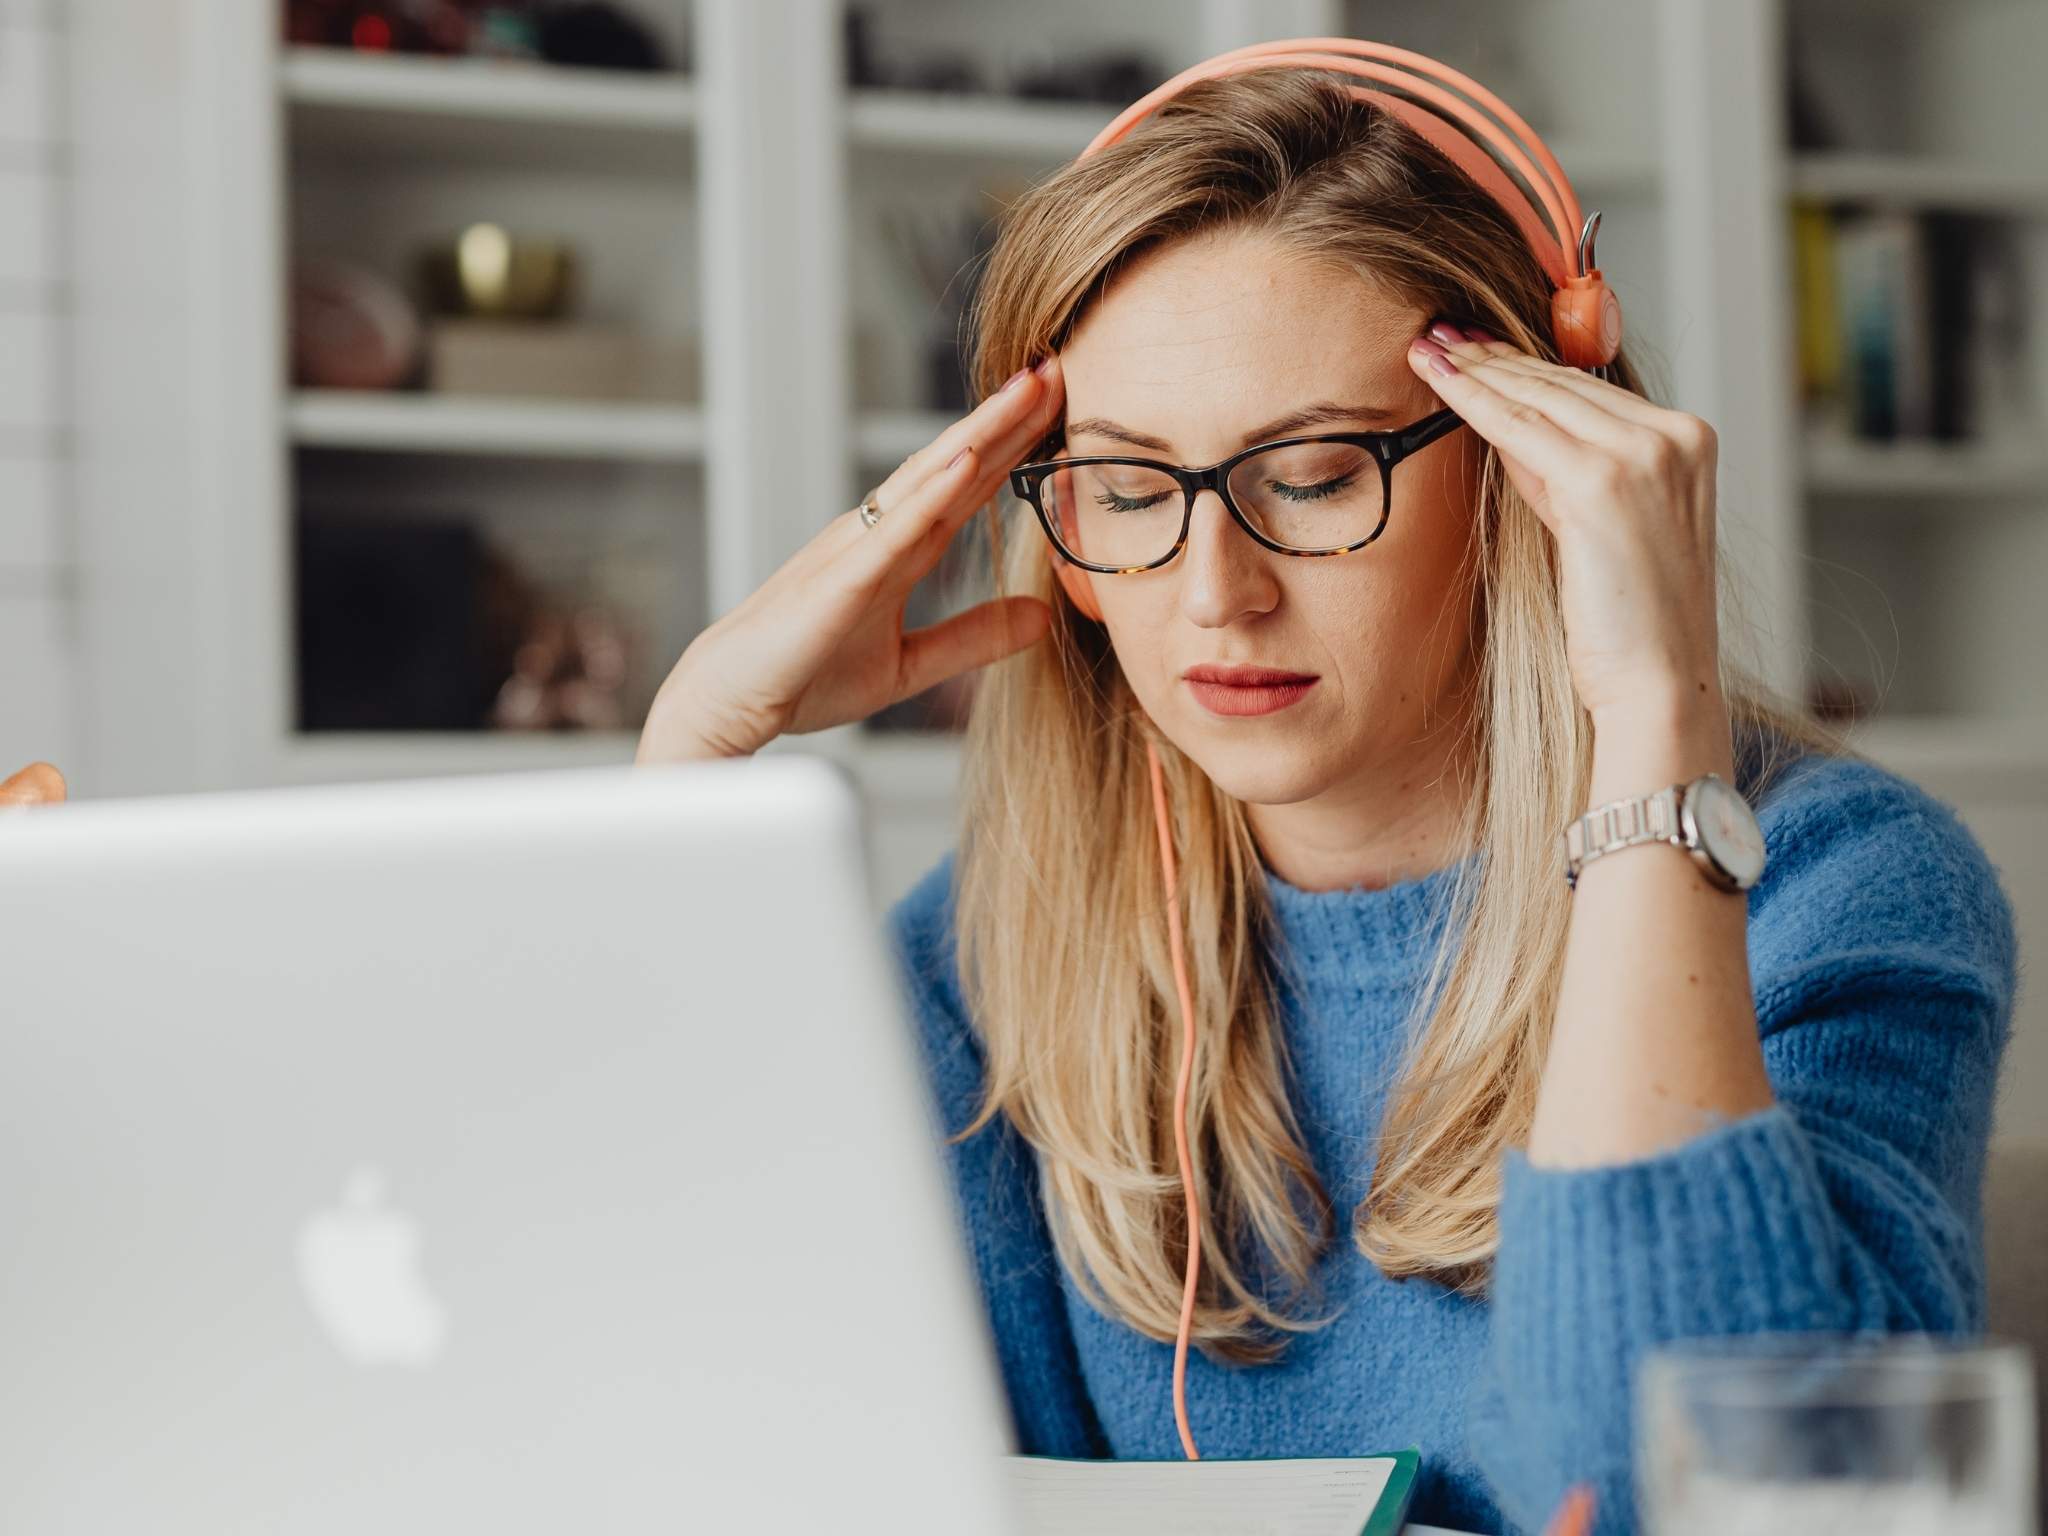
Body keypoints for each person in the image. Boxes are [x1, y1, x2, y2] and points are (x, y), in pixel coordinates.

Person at [635, 68, 2018, 1534]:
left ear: (1534, 472)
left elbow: (1662, 1490)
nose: (1214, 592)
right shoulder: (990, 945)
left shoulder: (1833, 890)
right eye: (1128, 489)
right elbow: (758, 1446)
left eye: (1311, 477)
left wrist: (1651, 723)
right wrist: (691, 768)